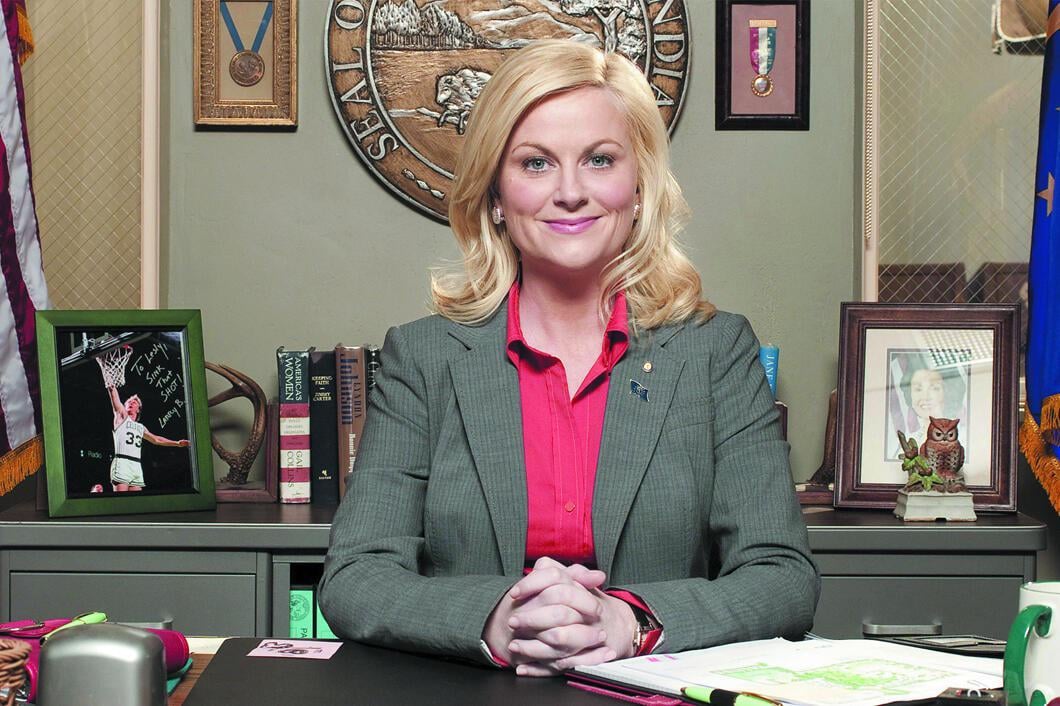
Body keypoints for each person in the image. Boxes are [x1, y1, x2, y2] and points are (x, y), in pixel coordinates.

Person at [319, 40, 819, 677]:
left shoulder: (715, 351)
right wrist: (496, 618)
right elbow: (355, 577)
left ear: (638, 184)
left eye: (600, 159)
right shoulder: (422, 357)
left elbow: (783, 578)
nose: (571, 192)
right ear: (495, 195)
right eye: (535, 164)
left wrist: (629, 620)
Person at [97, 349, 189, 492]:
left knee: (136, 503)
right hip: (121, 462)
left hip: (136, 465)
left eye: (134, 402)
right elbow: (113, 393)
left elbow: (157, 440)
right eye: (129, 401)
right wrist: (105, 367)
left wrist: (177, 443)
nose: (131, 403)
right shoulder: (121, 416)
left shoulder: (140, 427)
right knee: (122, 504)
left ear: (138, 409)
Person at [895, 355, 967, 450]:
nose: (925, 397)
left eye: (934, 388)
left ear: (948, 393)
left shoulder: (963, 439)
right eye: (918, 389)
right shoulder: (908, 444)